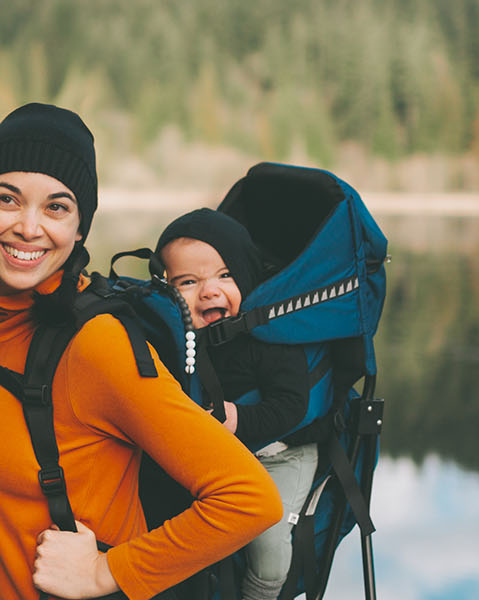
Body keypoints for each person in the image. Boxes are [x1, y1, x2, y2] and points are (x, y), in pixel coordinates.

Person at [0, 103, 281, 600]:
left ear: (79, 229)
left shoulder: (97, 343)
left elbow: (249, 498)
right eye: (7, 199)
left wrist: (104, 572)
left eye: (56, 207)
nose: (29, 227)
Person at [154, 208, 323, 600]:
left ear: (247, 277)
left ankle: (260, 593)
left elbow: (292, 407)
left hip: (282, 453)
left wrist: (237, 417)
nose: (209, 290)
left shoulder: (269, 336)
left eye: (225, 276)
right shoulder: (177, 340)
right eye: (188, 282)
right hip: (220, 457)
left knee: (267, 545)